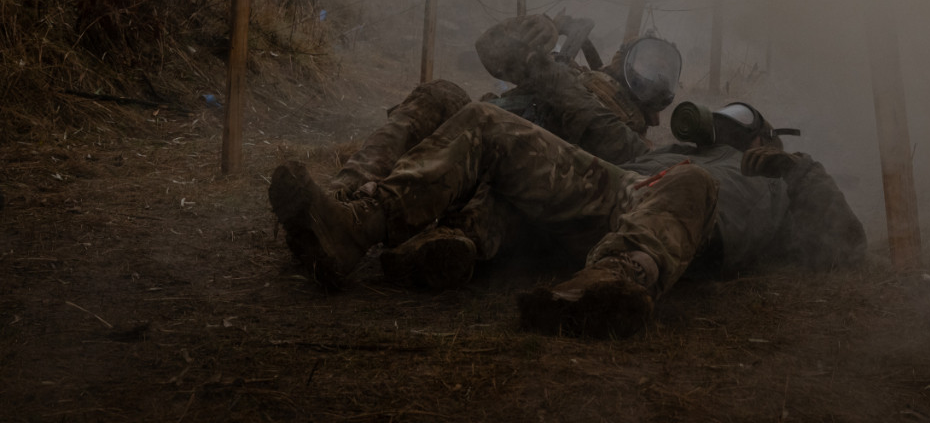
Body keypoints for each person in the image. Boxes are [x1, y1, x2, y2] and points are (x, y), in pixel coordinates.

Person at [269, 95, 866, 338]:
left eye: (742, 124)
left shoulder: (785, 173)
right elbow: (589, 126)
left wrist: (787, 170)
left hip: (688, 226)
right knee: (484, 120)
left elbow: (845, 246)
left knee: (693, 180)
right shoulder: (665, 151)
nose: (727, 131)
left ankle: (615, 283)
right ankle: (357, 226)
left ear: (765, 134)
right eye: (723, 121)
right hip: (619, 192)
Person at [314, 14, 683, 289]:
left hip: (512, 176)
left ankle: (429, 241)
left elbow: (591, 124)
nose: (650, 73)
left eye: (662, 70)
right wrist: (538, 25)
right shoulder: (567, 73)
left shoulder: (631, 139)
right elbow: (489, 50)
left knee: (507, 183)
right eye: (645, 58)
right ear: (619, 56)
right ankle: (336, 201)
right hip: (469, 141)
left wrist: (543, 65)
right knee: (438, 94)